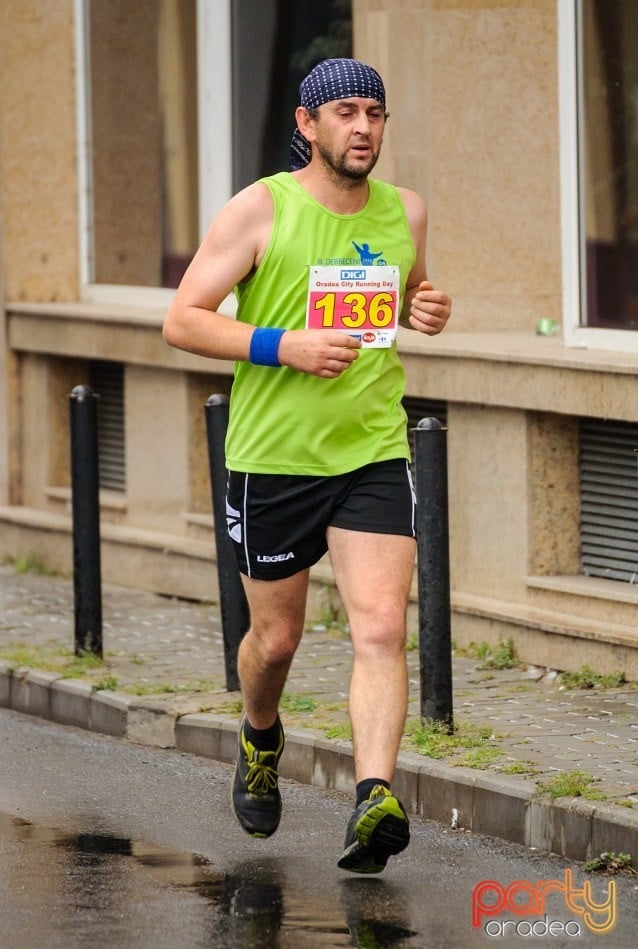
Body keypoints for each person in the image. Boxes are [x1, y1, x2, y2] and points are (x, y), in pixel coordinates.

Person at [164, 57, 451, 873]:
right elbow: (182, 319)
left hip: (371, 448)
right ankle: (260, 737)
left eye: (376, 114)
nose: (364, 127)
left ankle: (374, 797)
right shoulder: (261, 210)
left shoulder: (408, 212)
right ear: (308, 124)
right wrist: (281, 344)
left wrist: (427, 305)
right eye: (347, 112)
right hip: (274, 460)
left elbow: (406, 296)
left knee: (382, 626)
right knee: (277, 640)